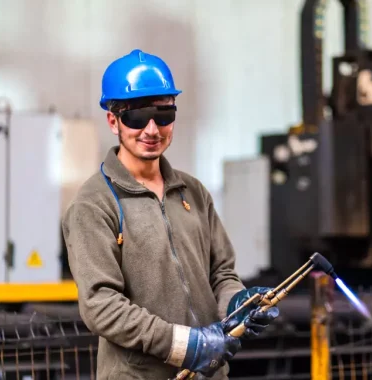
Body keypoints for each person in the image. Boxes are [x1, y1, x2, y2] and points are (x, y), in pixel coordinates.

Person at [61, 49, 280, 380]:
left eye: (163, 114)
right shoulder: (94, 205)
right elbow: (101, 305)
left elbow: (221, 273)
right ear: (112, 119)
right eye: (137, 117)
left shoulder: (193, 193)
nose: (152, 129)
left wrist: (236, 304)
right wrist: (185, 346)